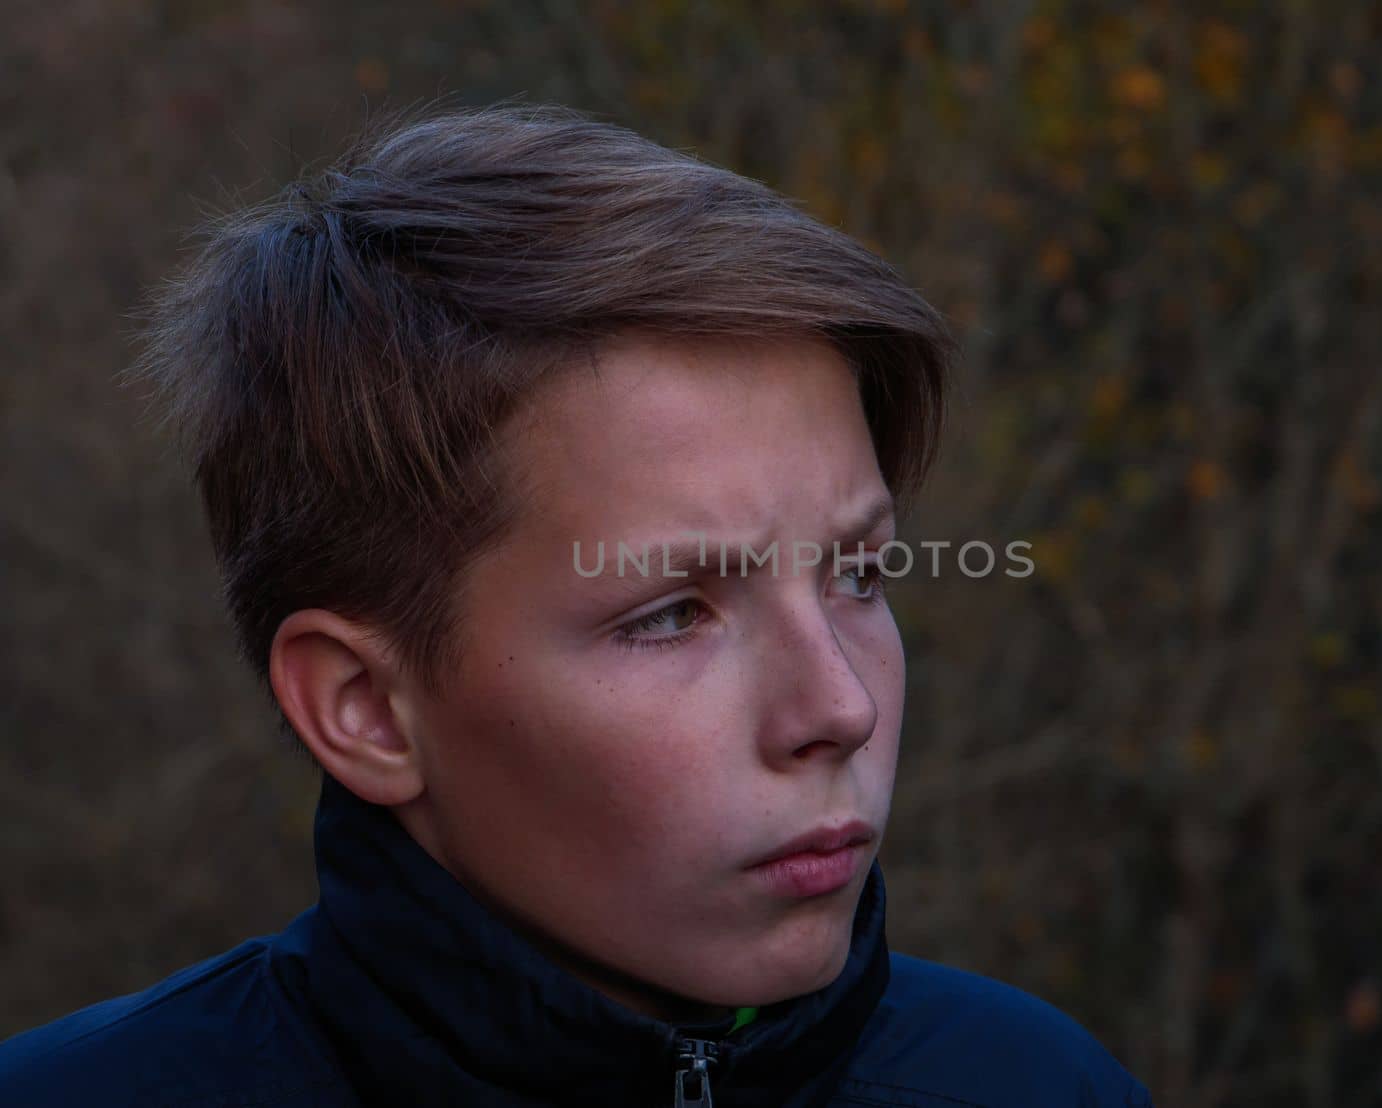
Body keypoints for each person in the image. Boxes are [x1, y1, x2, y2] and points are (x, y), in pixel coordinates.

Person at [0, 104, 1152, 1107]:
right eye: (670, 615)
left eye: (856, 573)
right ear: (366, 708)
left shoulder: (1042, 1088)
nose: (839, 707)